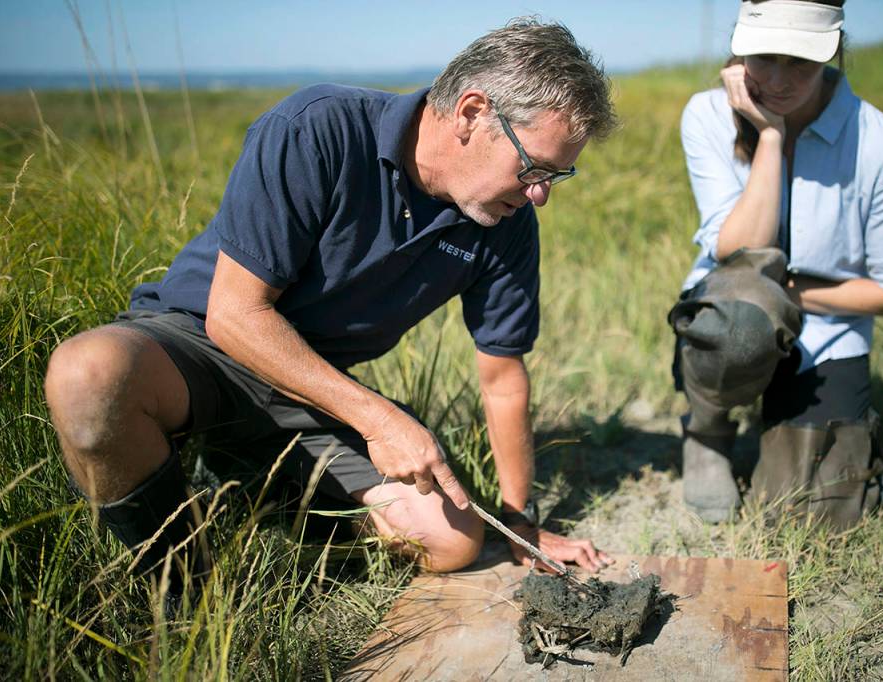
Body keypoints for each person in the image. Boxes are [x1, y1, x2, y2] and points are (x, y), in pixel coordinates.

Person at [44, 18, 616, 602]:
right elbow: (235, 317)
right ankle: (186, 592)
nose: (541, 192)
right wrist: (381, 421)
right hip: (197, 348)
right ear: (471, 113)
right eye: (536, 167)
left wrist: (518, 519)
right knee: (87, 376)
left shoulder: (507, 219)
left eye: (557, 175)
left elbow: (502, 377)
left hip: (310, 389)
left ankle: (263, 508)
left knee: (453, 541)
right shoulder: (318, 128)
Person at [670, 0, 883, 525]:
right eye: (763, 58)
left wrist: (792, 293)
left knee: (808, 515)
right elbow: (737, 251)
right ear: (739, 50)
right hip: (733, 313)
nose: (778, 80)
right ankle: (708, 430)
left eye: (801, 62)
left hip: (829, 327)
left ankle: (816, 430)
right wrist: (769, 134)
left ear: (833, 53)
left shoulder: (882, 143)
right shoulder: (707, 114)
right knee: (738, 325)